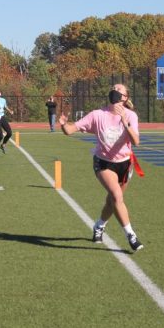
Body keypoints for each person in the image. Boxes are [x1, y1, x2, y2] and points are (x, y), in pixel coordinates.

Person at [59, 83, 143, 252]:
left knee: (112, 201)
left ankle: (99, 225)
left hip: (125, 164)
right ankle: (131, 235)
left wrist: (125, 122)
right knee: (117, 196)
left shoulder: (131, 116)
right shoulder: (97, 115)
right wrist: (63, 124)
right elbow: (69, 130)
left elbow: (136, 142)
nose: (115, 90)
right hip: (103, 163)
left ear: (125, 98)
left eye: (119, 89)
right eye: (113, 88)